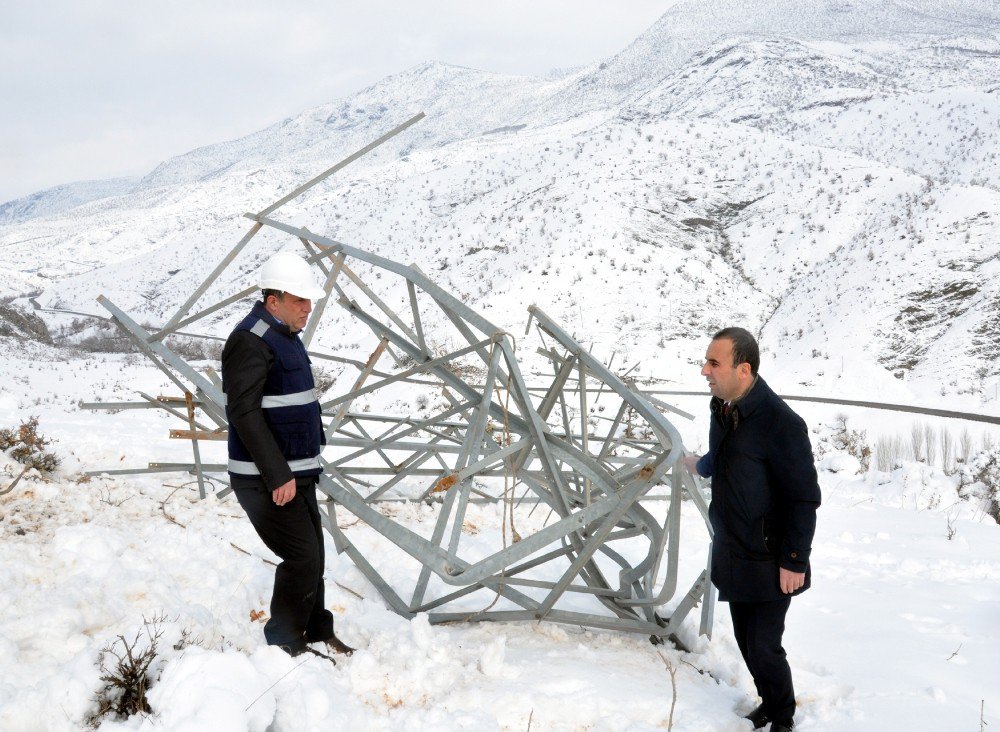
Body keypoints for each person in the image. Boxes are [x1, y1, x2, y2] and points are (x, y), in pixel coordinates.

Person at [681, 327, 820, 732]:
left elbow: (803, 498)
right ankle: (770, 702)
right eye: (705, 361)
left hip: (770, 555)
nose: (704, 371)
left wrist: (795, 560)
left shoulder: (782, 424)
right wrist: (700, 465)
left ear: (744, 370)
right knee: (746, 640)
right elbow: (727, 454)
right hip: (733, 548)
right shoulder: (724, 408)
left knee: (764, 645)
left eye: (713, 363)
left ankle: (784, 717)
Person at [221, 251, 353, 659]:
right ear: (272, 300)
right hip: (266, 477)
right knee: (301, 555)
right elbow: (243, 412)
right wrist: (277, 474)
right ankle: (284, 641)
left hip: (297, 472)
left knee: (313, 552)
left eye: (309, 301)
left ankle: (315, 629)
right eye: (299, 301)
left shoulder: (283, 336)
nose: (307, 309)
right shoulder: (250, 340)